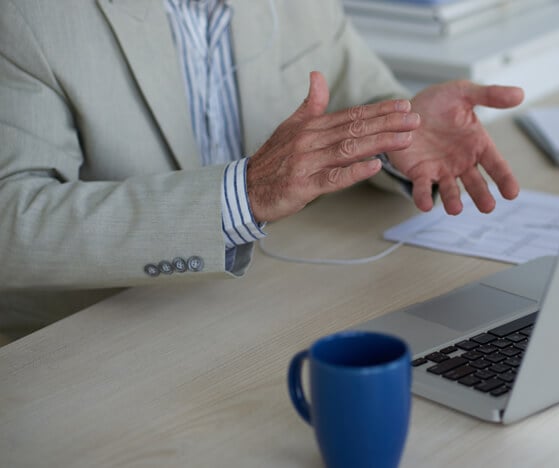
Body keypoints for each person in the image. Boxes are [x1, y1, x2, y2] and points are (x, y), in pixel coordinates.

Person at [0, 0, 523, 342]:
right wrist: (242, 196)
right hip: (95, 339)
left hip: (273, 310)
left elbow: (359, 93)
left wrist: (401, 129)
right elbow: (11, 220)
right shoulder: (29, 18)